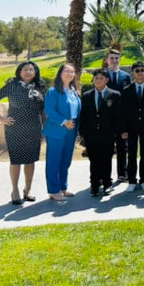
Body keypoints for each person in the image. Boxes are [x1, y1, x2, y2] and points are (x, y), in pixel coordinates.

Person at [0, 61, 45, 205]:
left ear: (35, 72)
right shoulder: (12, 86)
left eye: (31, 69)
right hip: (15, 128)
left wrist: (44, 127)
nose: (28, 72)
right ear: (19, 72)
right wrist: (0, 118)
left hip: (34, 128)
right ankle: (15, 190)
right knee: (16, 160)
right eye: (25, 69)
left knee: (31, 159)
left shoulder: (40, 87)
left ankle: (28, 189)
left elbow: (44, 109)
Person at [79, 69, 121, 196]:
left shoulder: (114, 95)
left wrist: (116, 132)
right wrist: (83, 133)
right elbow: (83, 116)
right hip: (91, 134)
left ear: (106, 80)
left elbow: (118, 116)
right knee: (94, 160)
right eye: (96, 78)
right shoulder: (86, 96)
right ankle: (95, 185)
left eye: (101, 78)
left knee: (106, 159)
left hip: (108, 134)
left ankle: (107, 184)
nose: (98, 81)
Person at [42, 63, 81, 202]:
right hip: (56, 131)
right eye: (67, 71)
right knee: (54, 161)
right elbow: (50, 111)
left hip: (71, 131)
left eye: (72, 71)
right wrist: (64, 121)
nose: (70, 74)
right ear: (60, 73)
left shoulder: (74, 91)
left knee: (66, 161)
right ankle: (53, 190)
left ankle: (63, 187)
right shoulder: (53, 91)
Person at [120, 61, 144, 192]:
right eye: (137, 71)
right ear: (133, 73)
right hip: (131, 128)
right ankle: (131, 180)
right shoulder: (126, 91)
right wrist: (124, 129)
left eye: (142, 70)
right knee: (131, 154)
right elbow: (123, 112)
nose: (140, 73)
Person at [105, 48, 131, 181]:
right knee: (107, 148)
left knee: (123, 147)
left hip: (122, 117)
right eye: (111, 58)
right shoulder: (102, 75)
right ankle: (105, 176)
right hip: (107, 117)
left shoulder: (126, 76)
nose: (114, 61)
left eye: (116, 58)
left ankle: (122, 173)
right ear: (107, 60)